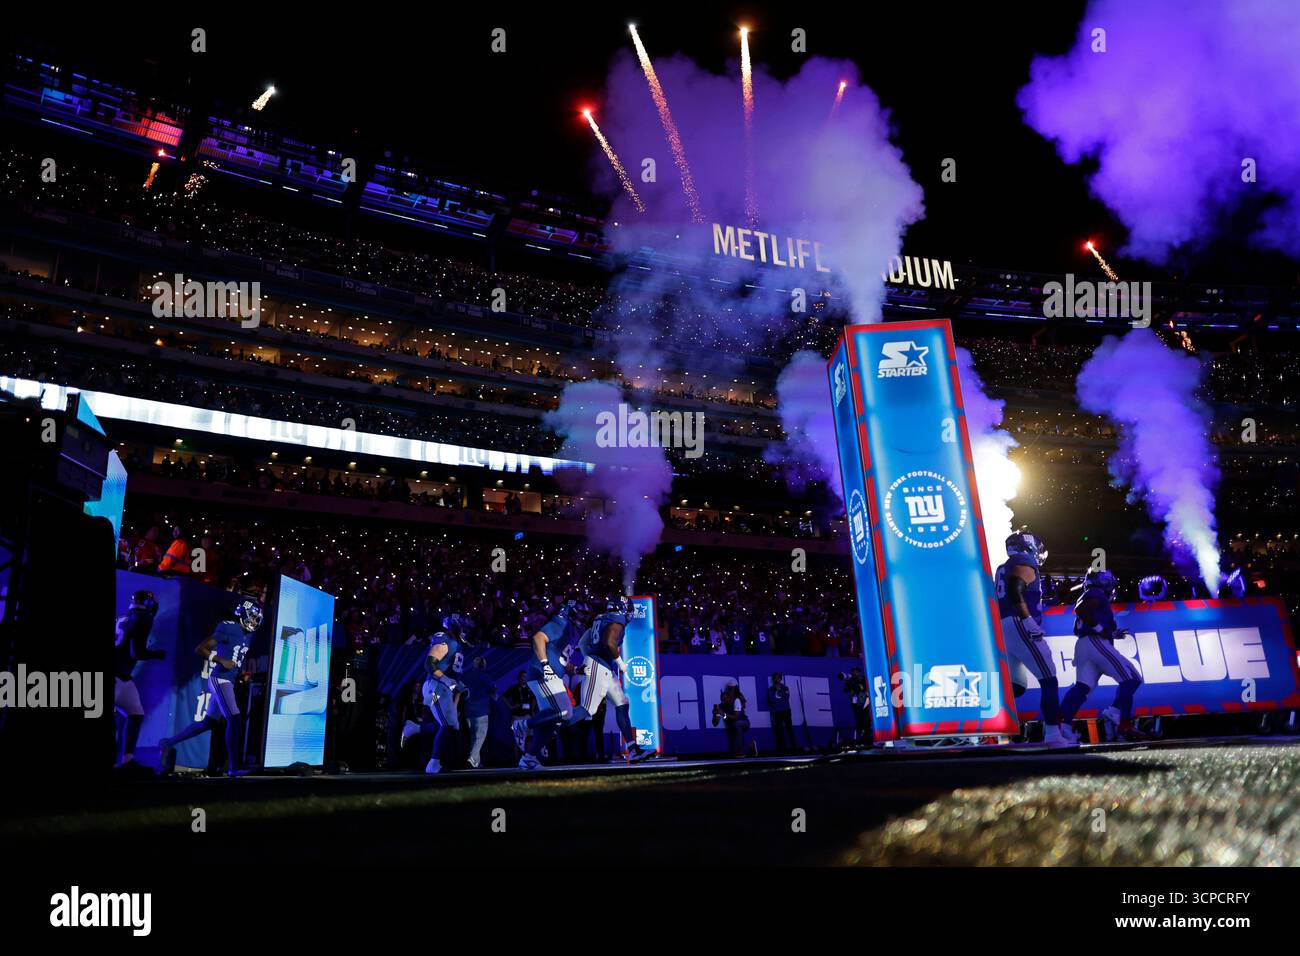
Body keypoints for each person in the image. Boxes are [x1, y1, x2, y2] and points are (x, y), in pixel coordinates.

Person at [159, 596, 261, 776]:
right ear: (243, 613)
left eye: (256, 618)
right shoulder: (229, 627)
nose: (253, 621)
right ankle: (234, 767)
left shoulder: (249, 634)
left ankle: (169, 742)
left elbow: (237, 656)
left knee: (207, 723)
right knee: (235, 719)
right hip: (219, 679)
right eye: (251, 616)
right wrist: (221, 660)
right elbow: (200, 649)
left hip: (229, 680)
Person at [995, 531, 1072, 747]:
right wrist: (1028, 620)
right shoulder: (1024, 561)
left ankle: (992, 728)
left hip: (1004, 625)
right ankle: (1053, 734)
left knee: (1014, 687)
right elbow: (1015, 589)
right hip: (1019, 622)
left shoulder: (1003, 567)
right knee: (1049, 679)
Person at [1058, 570, 1151, 742]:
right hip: (1096, 643)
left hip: (1085, 644)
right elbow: (1081, 610)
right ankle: (1122, 722)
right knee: (1131, 679)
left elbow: (1077, 628)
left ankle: (1063, 726)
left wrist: (1110, 633)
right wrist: (1101, 630)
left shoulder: (1087, 594)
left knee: (1082, 688)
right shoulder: (1096, 593)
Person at [576, 599, 655, 763]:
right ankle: (539, 727)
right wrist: (621, 664)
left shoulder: (602, 618)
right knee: (586, 711)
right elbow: (609, 642)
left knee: (622, 704)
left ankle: (633, 749)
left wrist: (589, 657)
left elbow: (583, 642)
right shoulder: (616, 619)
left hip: (603, 666)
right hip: (599, 666)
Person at [517, 601, 587, 770]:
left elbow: (561, 660)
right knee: (565, 711)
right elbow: (538, 638)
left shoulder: (571, 630)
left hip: (552, 674)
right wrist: (545, 665)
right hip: (543, 673)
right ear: (571, 613)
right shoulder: (560, 623)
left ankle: (529, 758)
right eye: (580, 614)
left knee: (554, 721)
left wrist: (577, 669)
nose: (583, 618)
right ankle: (523, 725)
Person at [403, 614, 466, 774]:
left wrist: (459, 685)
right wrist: (446, 679)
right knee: (448, 724)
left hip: (443, 687)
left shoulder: (455, 643)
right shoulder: (445, 640)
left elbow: (452, 669)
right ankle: (433, 764)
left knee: (450, 725)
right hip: (436, 686)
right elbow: (429, 664)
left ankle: (415, 729)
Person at [113, 590, 165, 769]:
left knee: (136, 713)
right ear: (148, 604)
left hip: (123, 677)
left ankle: (127, 760)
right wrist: (157, 654)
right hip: (117, 675)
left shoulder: (124, 617)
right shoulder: (144, 617)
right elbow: (137, 652)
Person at [461, 655, 495, 769]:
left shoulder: (466, 676)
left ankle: (475, 762)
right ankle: (472, 757)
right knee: (480, 738)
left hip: (468, 711)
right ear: (483, 665)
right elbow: (493, 692)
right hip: (481, 711)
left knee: (473, 737)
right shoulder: (486, 677)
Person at [712, 680, 750, 757]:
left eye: (725, 699)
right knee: (732, 751)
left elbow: (736, 717)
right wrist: (715, 714)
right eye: (722, 699)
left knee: (737, 724)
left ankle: (740, 750)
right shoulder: (721, 707)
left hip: (743, 722)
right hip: (732, 725)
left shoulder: (736, 700)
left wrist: (723, 714)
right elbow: (715, 724)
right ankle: (751, 746)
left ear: (729, 698)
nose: (723, 701)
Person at [841, 666, 872, 745]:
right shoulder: (850, 680)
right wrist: (848, 683)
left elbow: (861, 688)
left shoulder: (863, 679)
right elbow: (846, 690)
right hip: (855, 704)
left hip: (864, 702)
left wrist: (855, 683)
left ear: (859, 672)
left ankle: (867, 739)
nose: (854, 673)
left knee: (865, 721)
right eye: (853, 671)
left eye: (856, 671)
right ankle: (860, 739)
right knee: (858, 722)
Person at [767, 672, 794, 754]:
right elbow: (771, 700)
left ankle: (794, 747)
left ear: (781, 679)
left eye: (778, 678)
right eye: (775, 678)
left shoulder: (785, 688)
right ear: (773, 680)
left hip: (786, 711)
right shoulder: (770, 689)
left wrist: (779, 691)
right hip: (776, 713)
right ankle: (781, 749)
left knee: (789, 729)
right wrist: (778, 695)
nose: (776, 680)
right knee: (779, 731)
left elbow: (786, 697)